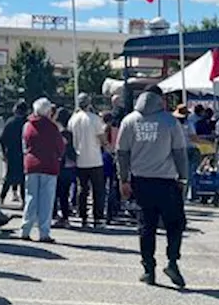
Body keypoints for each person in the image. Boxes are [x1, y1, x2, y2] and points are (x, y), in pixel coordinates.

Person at [117, 87, 188, 288]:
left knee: (146, 226)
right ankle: (172, 261)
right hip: (166, 181)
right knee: (175, 224)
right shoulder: (169, 121)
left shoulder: (129, 121)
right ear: (160, 100)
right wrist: (183, 178)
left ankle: (149, 269)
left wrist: (123, 179)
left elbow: (122, 153)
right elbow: (179, 152)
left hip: (141, 181)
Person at [20, 98, 63, 243]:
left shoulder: (27, 125)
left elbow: (25, 144)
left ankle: (25, 229)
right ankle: (44, 232)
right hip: (49, 165)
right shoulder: (52, 127)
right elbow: (60, 146)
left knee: (31, 198)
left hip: (31, 164)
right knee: (46, 200)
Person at [67, 93, 107, 229]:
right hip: (95, 159)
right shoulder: (95, 119)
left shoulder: (73, 119)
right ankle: (98, 218)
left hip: (79, 159)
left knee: (82, 189)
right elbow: (102, 139)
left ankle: (83, 217)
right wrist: (106, 145)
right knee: (98, 190)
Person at [0, 100, 27, 205]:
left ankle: (2, 198)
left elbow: (1, 139)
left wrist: (3, 152)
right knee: (23, 178)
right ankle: (24, 201)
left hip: (11, 153)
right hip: (24, 153)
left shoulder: (10, 122)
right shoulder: (26, 123)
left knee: (9, 176)